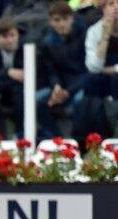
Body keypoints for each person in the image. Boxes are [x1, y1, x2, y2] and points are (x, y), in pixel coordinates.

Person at [38, 1, 89, 137]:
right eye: (57, 20)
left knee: (79, 101)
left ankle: (78, 141)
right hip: (61, 86)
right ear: (50, 21)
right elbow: (51, 70)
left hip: (81, 84)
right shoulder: (47, 42)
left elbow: (89, 71)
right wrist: (56, 87)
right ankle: (55, 139)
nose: (61, 24)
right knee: (38, 99)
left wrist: (68, 91)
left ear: (72, 18)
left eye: (65, 19)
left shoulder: (84, 36)